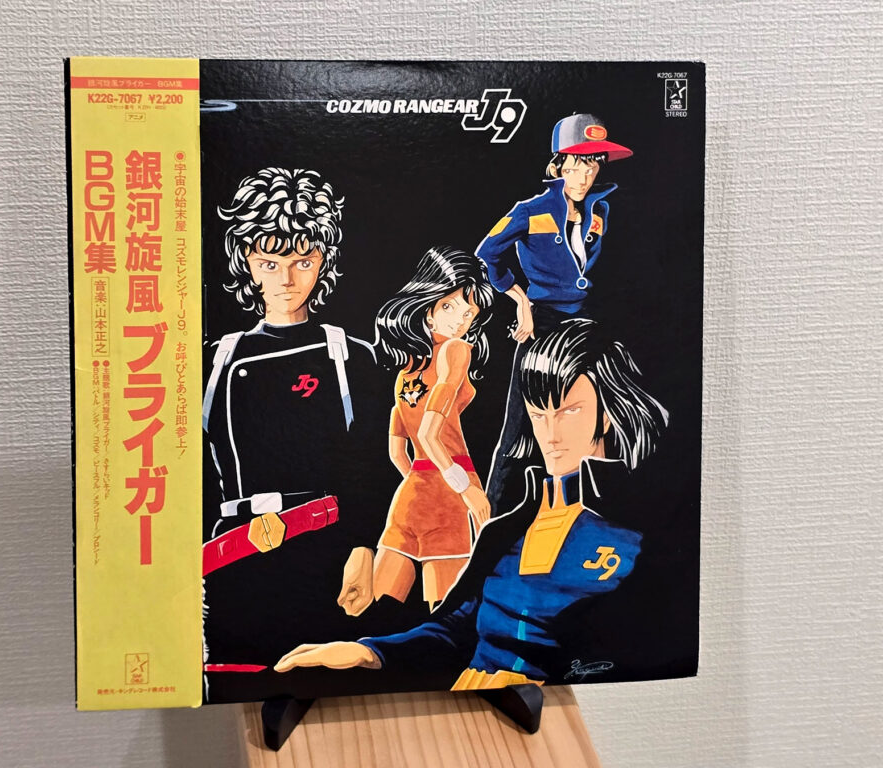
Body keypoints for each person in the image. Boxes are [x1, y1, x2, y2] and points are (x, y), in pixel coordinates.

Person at [275, 319, 668, 690]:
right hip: (467, 700)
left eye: (569, 411)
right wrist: (369, 652)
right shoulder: (505, 529)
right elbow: (454, 628)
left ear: (606, 416)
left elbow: (632, 649)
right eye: (538, 413)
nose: (550, 433)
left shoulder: (637, 533)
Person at [201, 167, 402, 702]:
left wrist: (364, 546)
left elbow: (375, 465)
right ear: (247, 263)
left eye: (302, 262)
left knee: (326, 677)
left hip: (325, 548)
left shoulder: (349, 356)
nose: (287, 279)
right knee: (243, 680)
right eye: (270, 263)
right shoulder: (216, 360)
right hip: (234, 553)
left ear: (323, 262)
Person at [475, 113, 633, 514]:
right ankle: (491, 523)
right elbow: (487, 253)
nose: (585, 175)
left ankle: (594, 515)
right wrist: (521, 300)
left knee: (598, 422)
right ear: (559, 164)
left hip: (585, 328)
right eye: (576, 164)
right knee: (519, 431)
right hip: (543, 324)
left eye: (593, 164)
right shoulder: (531, 210)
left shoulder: (600, 211)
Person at [336, 247, 495, 618]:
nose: (460, 321)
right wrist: (466, 489)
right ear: (428, 306)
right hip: (451, 491)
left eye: (469, 313)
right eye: (449, 307)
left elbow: (397, 450)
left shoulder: (406, 371)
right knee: (448, 616)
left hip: (410, 495)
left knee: (376, 611)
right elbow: (427, 435)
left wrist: (420, 483)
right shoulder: (456, 351)